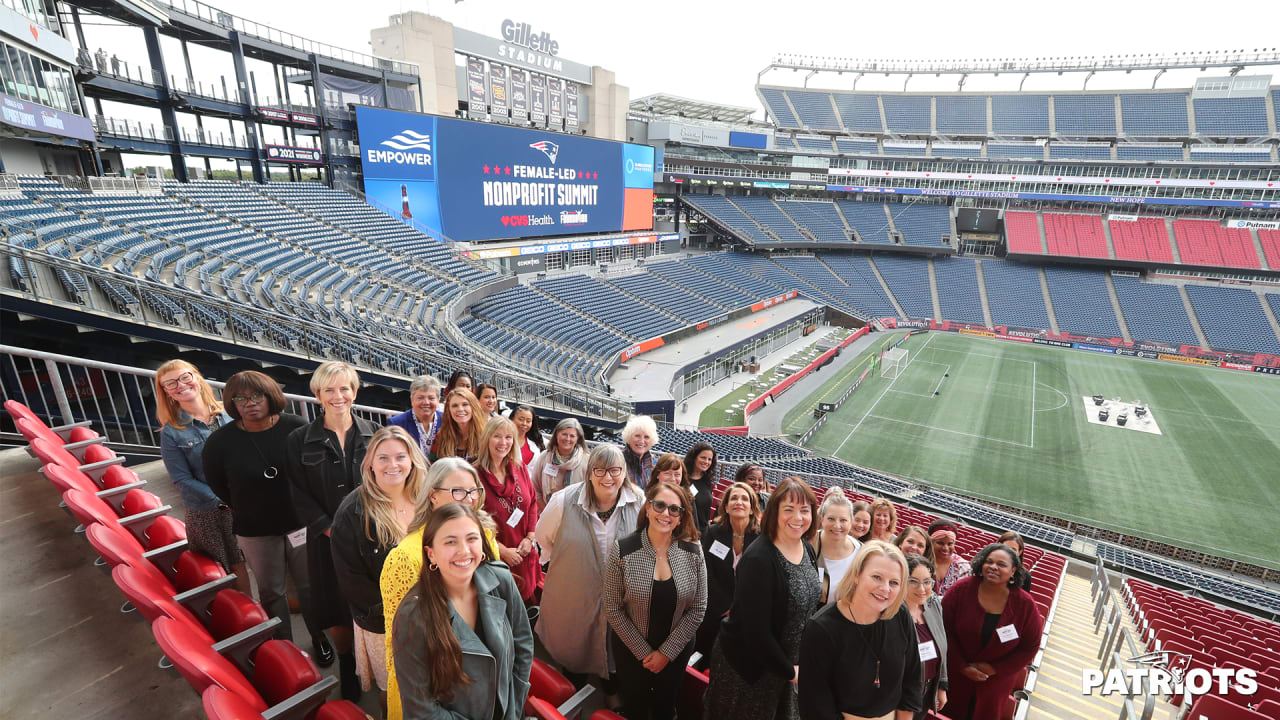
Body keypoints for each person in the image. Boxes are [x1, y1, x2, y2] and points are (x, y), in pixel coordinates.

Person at [204, 371, 324, 658]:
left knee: (309, 587)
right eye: (241, 398)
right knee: (271, 592)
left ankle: (319, 637)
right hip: (255, 530)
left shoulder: (297, 427)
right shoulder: (220, 442)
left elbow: (314, 472)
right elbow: (218, 484)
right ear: (232, 403)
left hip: (300, 524)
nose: (249, 403)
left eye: (256, 396)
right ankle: (286, 650)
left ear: (270, 396)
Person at [380, 458, 500, 720]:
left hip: (483, 680)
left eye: (473, 491)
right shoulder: (406, 557)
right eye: (457, 491)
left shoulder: (486, 538)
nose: (467, 500)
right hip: (435, 691)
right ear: (432, 496)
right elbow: (397, 646)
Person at [286, 361, 378, 700]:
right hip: (325, 542)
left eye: (344, 389)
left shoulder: (373, 433)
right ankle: (347, 664)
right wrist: (331, 530)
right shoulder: (299, 440)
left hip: (372, 539)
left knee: (372, 602)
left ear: (354, 392)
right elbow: (297, 493)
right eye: (329, 389)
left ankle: (376, 662)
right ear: (317, 394)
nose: (338, 396)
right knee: (335, 606)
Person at [391, 503, 533, 720]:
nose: (464, 551)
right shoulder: (412, 615)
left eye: (472, 538)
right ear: (431, 554)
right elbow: (420, 708)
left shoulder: (501, 581)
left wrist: (514, 704)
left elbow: (522, 645)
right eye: (450, 542)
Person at [704, 477, 821, 720]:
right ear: (774, 513)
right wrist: (791, 671)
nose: (798, 518)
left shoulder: (807, 548)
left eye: (804, 510)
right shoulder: (760, 558)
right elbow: (755, 632)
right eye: (788, 509)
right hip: (748, 670)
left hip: (784, 667)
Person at [535, 444, 645, 702]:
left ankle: (611, 693)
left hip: (621, 598)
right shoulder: (564, 500)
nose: (608, 477)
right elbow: (544, 537)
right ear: (590, 473)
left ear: (624, 471)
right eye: (600, 470)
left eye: (615, 470)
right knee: (575, 651)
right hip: (575, 593)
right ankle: (573, 697)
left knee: (616, 648)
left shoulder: (639, 500)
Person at [330, 426, 426, 712]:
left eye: (400, 456)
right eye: (383, 458)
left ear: (412, 460)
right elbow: (352, 581)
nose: (393, 465)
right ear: (370, 463)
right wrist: (402, 615)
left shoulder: (426, 499)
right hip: (386, 623)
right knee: (393, 688)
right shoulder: (352, 512)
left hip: (433, 613)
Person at [604, 482, 707, 720]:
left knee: (665, 707)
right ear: (648, 509)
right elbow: (612, 608)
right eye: (659, 506)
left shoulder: (693, 551)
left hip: (676, 651)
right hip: (631, 650)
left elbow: (698, 609)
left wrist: (666, 654)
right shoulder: (623, 549)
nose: (666, 514)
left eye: (674, 509)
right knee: (634, 707)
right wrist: (644, 652)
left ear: (681, 518)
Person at [798, 541, 923, 720]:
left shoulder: (900, 614)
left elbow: (912, 676)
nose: (885, 589)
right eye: (876, 577)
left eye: (894, 582)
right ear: (857, 575)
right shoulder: (821, 629)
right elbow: (816, 704)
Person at [154, 361, 250, 593]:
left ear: (197, 377)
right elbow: (182, 480)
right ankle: (255, 619)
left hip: (245, 500)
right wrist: (224, 500)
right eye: (171, 383)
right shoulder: (171, 433)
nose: (181, 385)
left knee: (260, 557)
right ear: (166, 392)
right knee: (232, 567)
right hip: (210, 512)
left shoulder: (229, 413)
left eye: (185, 377)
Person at [941, 544, 1042, 720]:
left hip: (995, 684)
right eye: (989, 562)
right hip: (953, 675)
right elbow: (943, 629)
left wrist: (995, 669)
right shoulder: (960, 590)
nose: (993, 567)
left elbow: (1029, 646)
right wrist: (961, 666)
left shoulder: (1025, 605)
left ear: (1013, 571)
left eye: (1001, 564)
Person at [473, 417, 542, 604]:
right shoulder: (474, 476)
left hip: (525, 557)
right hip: (496, 562)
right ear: (487, 438)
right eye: (497, 436)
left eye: (508, 437)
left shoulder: (520, 468)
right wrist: (502, 550)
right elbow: (472, 522)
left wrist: (530, 537)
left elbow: (533, 502)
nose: (503, 443)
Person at [695, 481, 760, 669]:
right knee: (704, 655)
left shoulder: (761, 538)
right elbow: (705, 570)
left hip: (746, 615)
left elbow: (760, 582)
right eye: (733, 498)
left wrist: (738, 607)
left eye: (744, 499)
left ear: (751, 507)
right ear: (725, 506)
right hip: (714, 610)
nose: (739, 502)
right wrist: (724, 606)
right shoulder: (713, 532)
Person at [904, 553, 948, 719]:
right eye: (913, 582)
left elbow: (942, 644)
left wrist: (942, 686)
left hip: (925, 693)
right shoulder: (893, 613)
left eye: (927, 582)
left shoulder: (933, 603)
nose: (922, 589)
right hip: (899, 696)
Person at [811, 489, 860, 608]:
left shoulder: (861, 553)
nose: (837, 525)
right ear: (822, 519)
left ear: (851, 522)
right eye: (831, 519)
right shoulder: (806, 544)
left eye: (843, 520)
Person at [528, 417, 588, 508]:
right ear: (556, 435)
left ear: (578, 439)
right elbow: (534, 488)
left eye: (572, 436)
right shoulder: (544, 457)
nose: (567, 439)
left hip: (577, 515)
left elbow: (591, 493)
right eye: (564, 434)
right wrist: (547, 511)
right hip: (547, 512)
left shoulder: (587, 460)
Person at [387, 375, 443, 459]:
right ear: (412, 400)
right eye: (420, 398)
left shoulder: (447, 421)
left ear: (438, 400)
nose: (426, 402)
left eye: (431, 398)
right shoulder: (397, 423)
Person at [428, 388, 484, 462]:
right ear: (449, 410)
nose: (460, 409)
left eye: (465, 404)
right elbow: (433, 468)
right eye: (455, 406)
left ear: (473, 407)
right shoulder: (441, 436)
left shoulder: (486, 436)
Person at [929, 519, 969, 598]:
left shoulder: (962, 567)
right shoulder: (920, 560)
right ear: (931, 542)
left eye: (950, 544)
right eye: (940, 543)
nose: (945, 548)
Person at [683, 442, 717, 532]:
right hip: (687, 533)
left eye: (709, 459)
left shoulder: (707, 481)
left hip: (704, 533)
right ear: (694, 457)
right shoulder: (682, 480)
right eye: (703, 457)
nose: (706, 462)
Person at [621, 415, 658, 489]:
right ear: (629, 436)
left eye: (646, 437)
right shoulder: (618, 460)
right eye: (637, 436)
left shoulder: (654, 463)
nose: (641, 441)